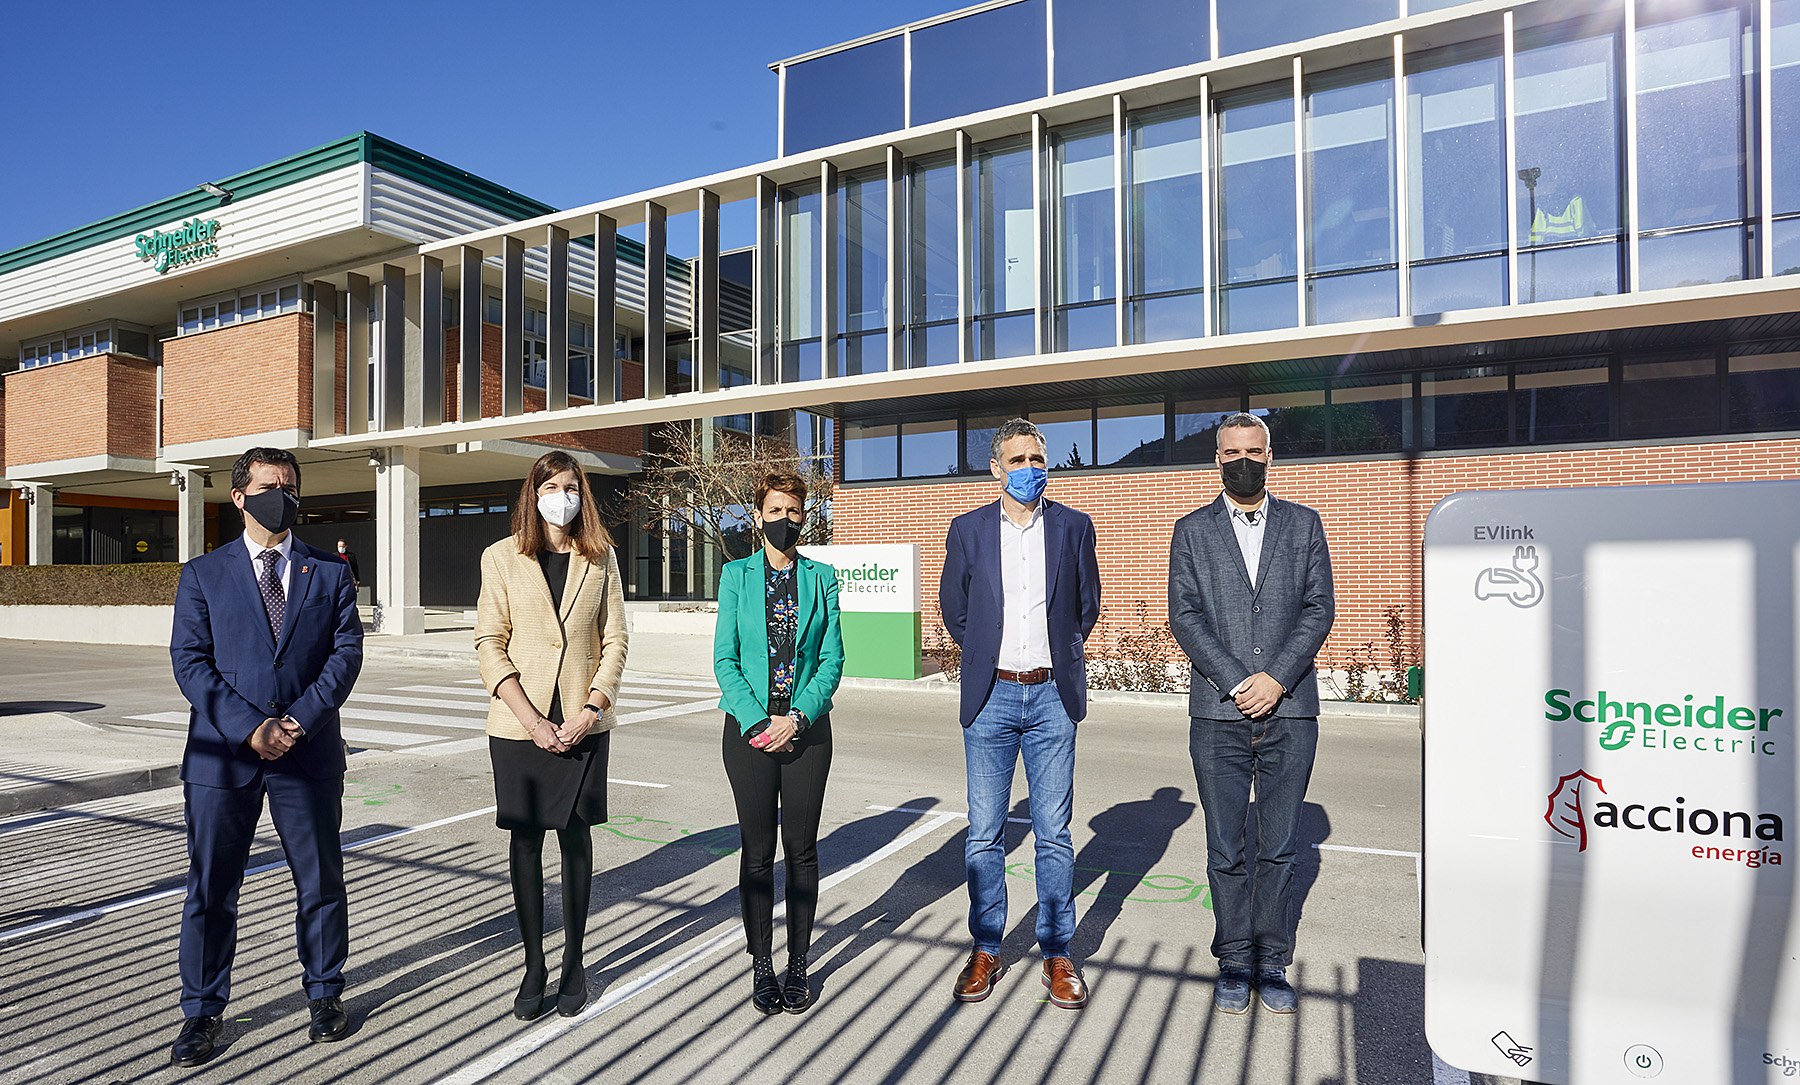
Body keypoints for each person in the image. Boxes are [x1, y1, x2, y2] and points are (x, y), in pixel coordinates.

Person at [168, 447, 363, 1067]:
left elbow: (346, 654)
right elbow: (189, 662)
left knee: (321, 881)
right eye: (269, 485)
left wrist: (297, 722)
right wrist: (252, 728)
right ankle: (202, 1011)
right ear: (240, 497)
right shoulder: (202, 574)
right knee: (211, 889)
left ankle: (326, 996)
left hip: (306, 756)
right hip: (224, 759)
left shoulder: (328, 573)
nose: (282, 494)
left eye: (290, 485)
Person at [1167, 412, 1335, 1015]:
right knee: (1226, 847)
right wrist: (1240, 681)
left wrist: (1276, 679)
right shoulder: (1191, 531)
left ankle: (1272, 960)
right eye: (1232, 452)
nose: (1244, 460)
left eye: (1254, 451)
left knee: (1281, 848)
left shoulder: (1304, 524)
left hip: (1290, 710)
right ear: (1217, 458)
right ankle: (1234, 960)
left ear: (1271, 455)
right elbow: (1185, 616)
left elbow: (1319, 609)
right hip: (1218, 714)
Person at [939, 418, 1100, 1010]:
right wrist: (987, 653)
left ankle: (1058, 952)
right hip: (991, 697)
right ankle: (986, 946)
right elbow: (955, 606)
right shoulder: (968, 530)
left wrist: (1054, 656)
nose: (1030, 467)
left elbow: (1088, 605)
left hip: (1053, 696)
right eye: (1018, 458)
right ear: (996, 468)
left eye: (1037, 457)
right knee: (985, 835)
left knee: (1054, 836)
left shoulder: (1073, 527)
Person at [475, 450, 628, 1021]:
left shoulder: (602, 557)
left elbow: (615, 640)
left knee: (576, 840)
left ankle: (573, 962)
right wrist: (533, 720)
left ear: (580, 493)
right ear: (533, 492)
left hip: (582, 721)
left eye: (569, 486)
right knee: (524, 842)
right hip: (521, 726)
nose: (560, 495)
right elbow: (489, 643)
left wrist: (591, 709)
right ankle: (534, 963)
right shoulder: (500, 558)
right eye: (550, 485)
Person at [713, 472, 843, 1015]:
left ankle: (799, 965)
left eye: (794, 511)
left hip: (807, 734)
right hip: (748, 735)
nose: (785, 520)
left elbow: (832, 659)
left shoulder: (821, 577)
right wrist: (757, 722)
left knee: (803, 852)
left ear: (804, 516)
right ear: (757, 514)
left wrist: (796, 718)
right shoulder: (735, 575)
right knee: (758, 853)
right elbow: (726, 659)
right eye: (775, 510)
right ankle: (763, 964)